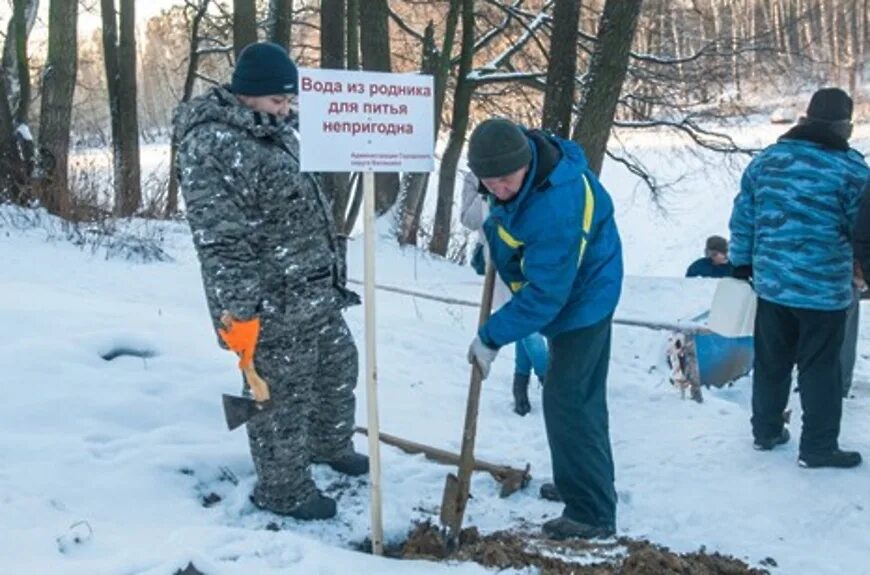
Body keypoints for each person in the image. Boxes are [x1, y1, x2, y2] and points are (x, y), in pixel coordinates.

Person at [173, 42, 367, 520]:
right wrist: (241, 316)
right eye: (279, 101)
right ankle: (284, 490)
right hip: (269, 301)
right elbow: (221, 241)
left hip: (312, 291)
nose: (287, 110)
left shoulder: (270, 130)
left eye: (289, 102)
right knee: (277, 396)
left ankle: (328, 445)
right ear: (247, 95)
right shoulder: (213, 145)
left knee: (337, 368)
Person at [464, 118, 623, 540]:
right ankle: (581, 482)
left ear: (525, 164)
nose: (498, 189)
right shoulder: (524, 174)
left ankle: (591, 511)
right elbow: (512, 224)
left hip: (584, 299)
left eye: (505, 181)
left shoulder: (556, 204)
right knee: (570, 397)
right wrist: (492, 246)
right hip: (569, 288)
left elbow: (547, 294)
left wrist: (491, 336)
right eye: (488, 181)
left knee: (571, 400)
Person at [729, 87, 870, 469]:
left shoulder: (768, 161)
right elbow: (862, 230)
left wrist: (741, 263)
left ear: (806, 118)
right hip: (823, 288)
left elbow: (744, 215)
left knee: (772, 361)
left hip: (772, 283)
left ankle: (766, 432)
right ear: (845, 126)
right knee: (821, 368)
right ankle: (818, 447)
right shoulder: (853, 171)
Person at [460, 171, 549, 416]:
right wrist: (484, 194)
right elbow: (469, 220)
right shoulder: (473, 179)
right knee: (525, 327)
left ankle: (540, 384)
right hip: (499, 265)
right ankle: (530, 386)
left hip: (528, 259)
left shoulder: (520, 171)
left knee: (527, 326)